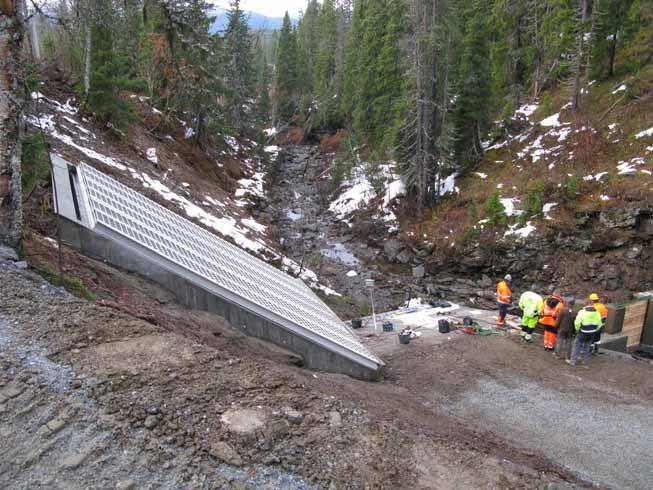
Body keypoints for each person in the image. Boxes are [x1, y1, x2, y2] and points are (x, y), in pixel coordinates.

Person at [568, 303, 603, 367]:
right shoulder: (597, 313)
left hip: (582, 332)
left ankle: (573, 361)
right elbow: (600, 324)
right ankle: (584, 361)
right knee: (587, 347)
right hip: (591, 333)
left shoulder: (582, 312)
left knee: (577, 346)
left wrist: (577, 330)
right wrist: (595, 330)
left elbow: (577, 323)